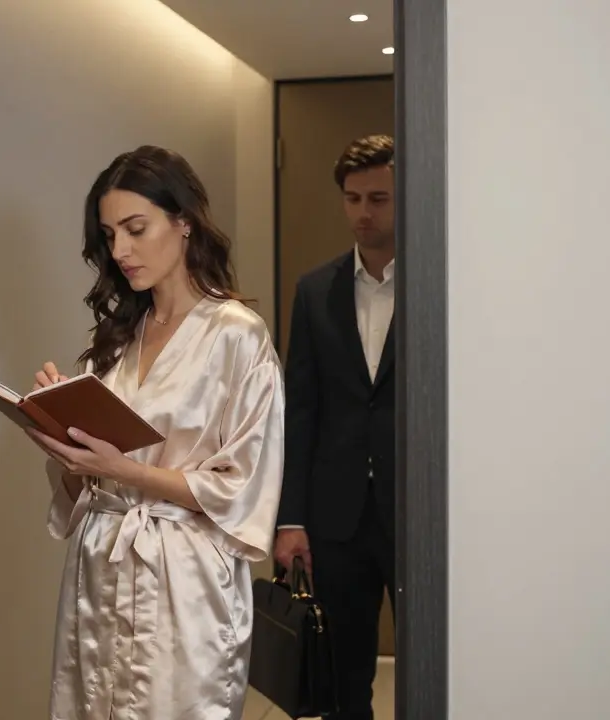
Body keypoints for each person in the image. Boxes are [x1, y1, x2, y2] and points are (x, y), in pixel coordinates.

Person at [25, 145, 285, 719]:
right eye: (109, 234)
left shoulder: (238, 336)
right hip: (100, 567)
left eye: (136, 229)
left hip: (183, 580)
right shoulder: (119, 337)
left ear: (184, 221)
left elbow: (243, 485)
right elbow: (83, 484)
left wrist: (129, 471)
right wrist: (66, 444)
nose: (120, 251)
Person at [273, 134, 397, 720]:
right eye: (352, 199)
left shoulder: (442, 283)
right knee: (345, 682)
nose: (363, 213)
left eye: (379, 198)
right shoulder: (314, 290)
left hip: (419, 514)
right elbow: (299, 410)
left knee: (434, 668)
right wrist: (289, 517)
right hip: (335, 515)